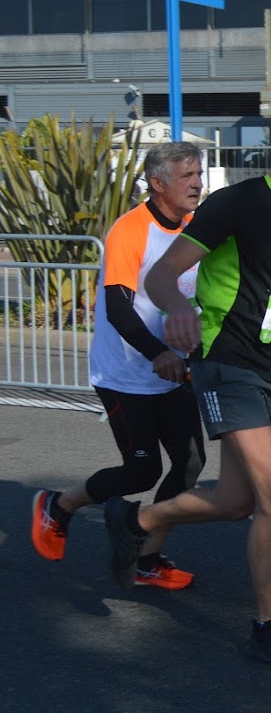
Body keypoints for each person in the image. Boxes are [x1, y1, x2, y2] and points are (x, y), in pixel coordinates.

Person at [103, 100, 271, 670]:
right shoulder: (237, 203)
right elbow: (161, 276)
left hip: (269, 369)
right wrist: (180, 308)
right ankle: (268, 626)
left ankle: (135, 521)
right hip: (224, 362)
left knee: (235, 502)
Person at [30, 142, 207, 588]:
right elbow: (118, 308)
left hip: (175, 373)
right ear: (158, 183)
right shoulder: (130, 230)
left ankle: (147, 559)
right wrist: (158, 353)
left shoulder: (193, 228)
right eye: (187, 176)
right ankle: (59, 505)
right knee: (142, 471)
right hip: (126, 374)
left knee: (189, 464)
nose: (197, 184)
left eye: (199, 174)